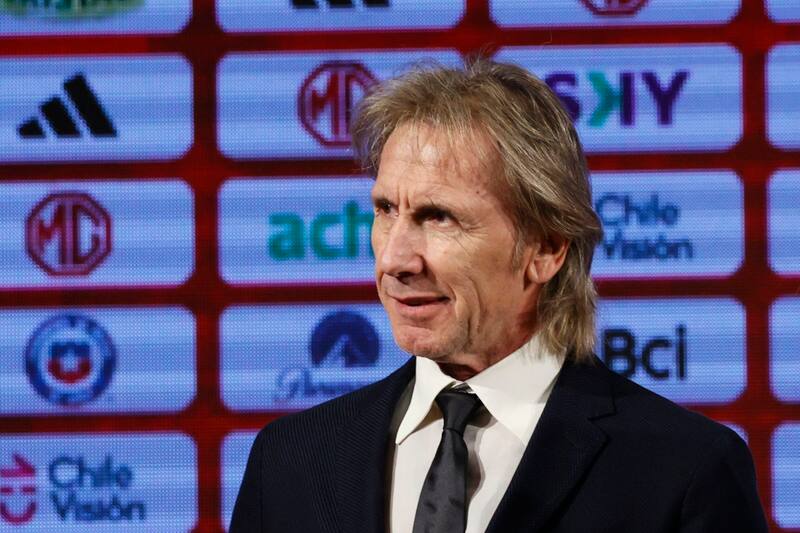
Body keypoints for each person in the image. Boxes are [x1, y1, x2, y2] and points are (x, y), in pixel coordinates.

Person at [230, 58, 768, 532]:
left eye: (438, 217)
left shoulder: (683, 471)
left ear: (546, 248)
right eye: (385, 210)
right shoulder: (292, 461)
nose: (394, 260)